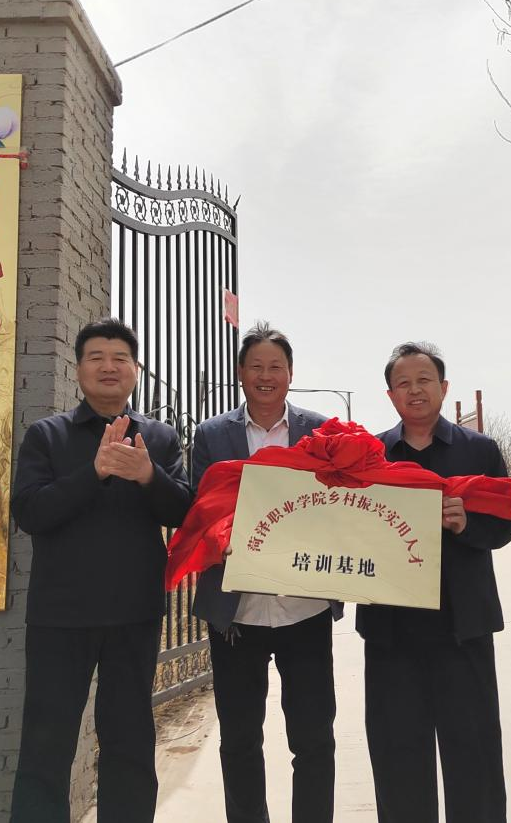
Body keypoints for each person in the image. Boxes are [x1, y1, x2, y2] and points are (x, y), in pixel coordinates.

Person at [9, 318, 193, 823]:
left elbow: (185, 512)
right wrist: (95, 472)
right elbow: (30, 513)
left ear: (135, 370)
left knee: (129, 739)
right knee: (46, 742)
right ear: (78, 369)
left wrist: (148, 475)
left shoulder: (159, 437)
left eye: (120, 358)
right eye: (96, 358)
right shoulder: (47, 435)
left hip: (134, 613)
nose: (108, 367)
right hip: (60, 615)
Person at [357, 341, 511, 823]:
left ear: (443, 387)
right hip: (390, 633)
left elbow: (508, 522)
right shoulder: (369, 456)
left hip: (462, 628)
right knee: (397, 759)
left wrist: (467, 525)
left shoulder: (479, 450)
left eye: (424, 380)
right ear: (390, 395)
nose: (415, 391)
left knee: (474, 756)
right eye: (403, 383)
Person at [191, 322, 343, 823]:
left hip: (305, 607)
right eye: (255, 366)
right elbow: (200, 509)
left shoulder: (322, 432)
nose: (265, 375)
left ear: (290, 374)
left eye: (275, 366)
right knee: (239, 738)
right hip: (237, 613)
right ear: (240, 373)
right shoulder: (212, 435)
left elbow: (343, 506)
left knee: (314, 737)